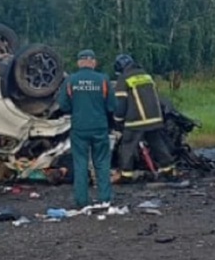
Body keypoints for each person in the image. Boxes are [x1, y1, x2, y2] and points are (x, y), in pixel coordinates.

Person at [58, 49, 116, 207]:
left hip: (79, 128)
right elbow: (112, 106)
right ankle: (105, 199)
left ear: (79, 63)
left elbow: (63, 105)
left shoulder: (70, 80)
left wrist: (76, 109)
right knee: (102, 163)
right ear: (94, 62)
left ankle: (81, 201)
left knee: (80, 163)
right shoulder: (103, 80)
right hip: (99, 127)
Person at [112, 54, 176, 181]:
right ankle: (168, 169)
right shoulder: (147, 76)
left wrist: (118, 120)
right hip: (155, 117)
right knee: (157, 142)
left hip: (136, 119)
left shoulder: (124, 79)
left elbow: (120, 103)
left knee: (128, 145)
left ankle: (126, 174)